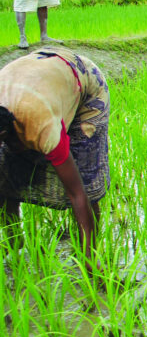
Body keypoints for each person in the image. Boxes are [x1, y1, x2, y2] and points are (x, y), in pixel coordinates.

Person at [0, 47, 109, 270]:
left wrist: (89, 260)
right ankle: (14, 240)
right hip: (38, 76)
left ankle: (90, 256)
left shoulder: (41, 125)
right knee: (8, 173)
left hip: (85, 83)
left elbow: (77, 193)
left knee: (87, 181)